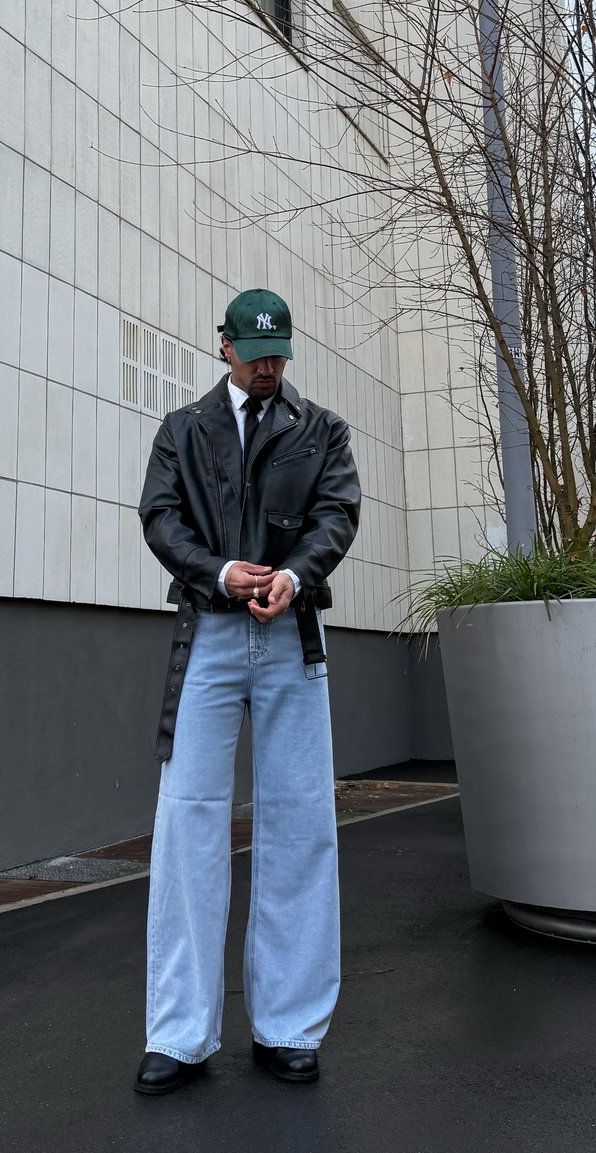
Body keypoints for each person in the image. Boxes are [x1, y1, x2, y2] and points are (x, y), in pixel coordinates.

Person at [134, 288, 360, 1095]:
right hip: (210, 632)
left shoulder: (322, 428)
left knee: (300, 816)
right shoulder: (183, 431)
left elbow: (338, 513)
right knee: (188, 814)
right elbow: (161, 517)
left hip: (293, 630)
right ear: (222, 344)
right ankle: (179, 1033)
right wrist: (221, 572)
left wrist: (296, 577)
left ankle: (289, 1026)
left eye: (280, 350)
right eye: (256, 349)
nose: (270, 363)